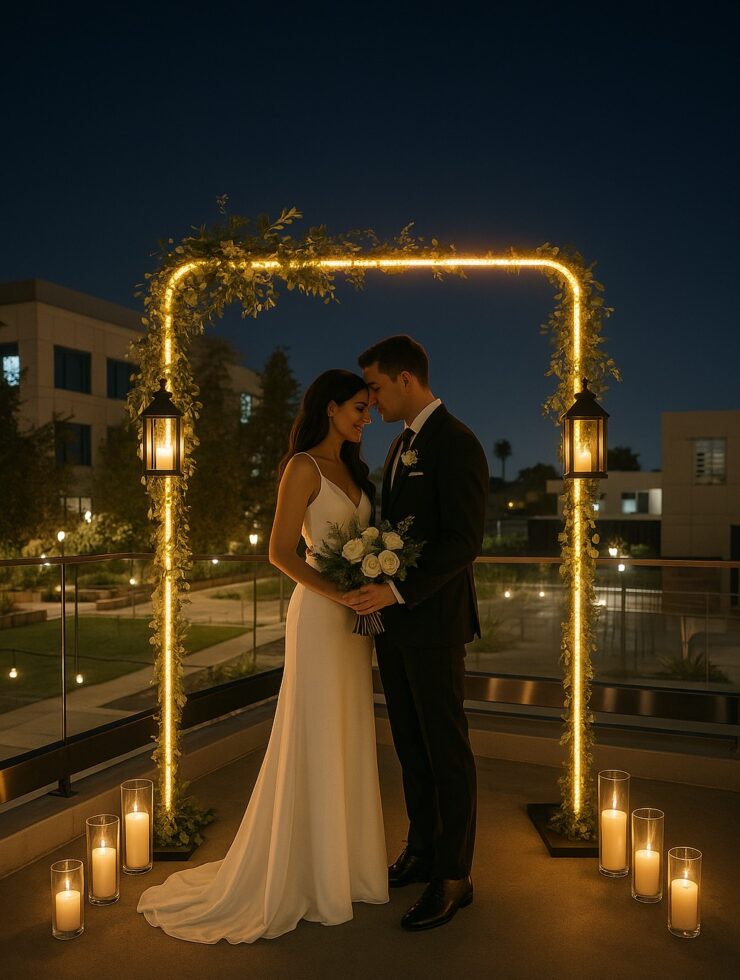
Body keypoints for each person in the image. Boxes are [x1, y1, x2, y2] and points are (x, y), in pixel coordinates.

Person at [137, 370, 388, 943]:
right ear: (329, 408)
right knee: (314, 732)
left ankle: (345, 868)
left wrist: (370, 583)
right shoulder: (303, 468)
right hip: (322, 615)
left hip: (355, 620)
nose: (364, 417)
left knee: (348, 732)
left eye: (368, 409)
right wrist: (337, 590)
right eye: (357, 407)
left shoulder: (353, 470)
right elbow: (279, 552)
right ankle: (306, 874)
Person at [348, 335, 488, 932]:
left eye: (376, 388)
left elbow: (463, 542)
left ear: (406, 379)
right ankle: (423, 849)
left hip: (433, 622)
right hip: (396, 627)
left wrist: (398, 589)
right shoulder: (400, 445)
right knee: (409, 744)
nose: (371, 401)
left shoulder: (457, 443)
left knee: (445, 749)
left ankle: (455, 875)